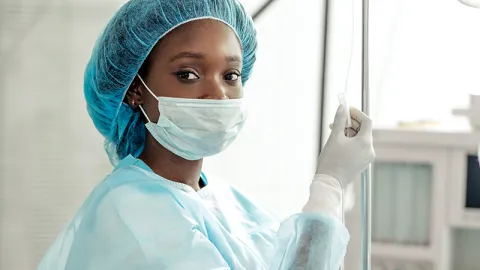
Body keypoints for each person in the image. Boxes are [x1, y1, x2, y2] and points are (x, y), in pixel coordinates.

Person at [37, 0, 375, 269]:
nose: (218, 95)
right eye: (187, 74)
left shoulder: (229, 203)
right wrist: (329, 186)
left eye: (230, 75)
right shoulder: (130, 210)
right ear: (135, 91)